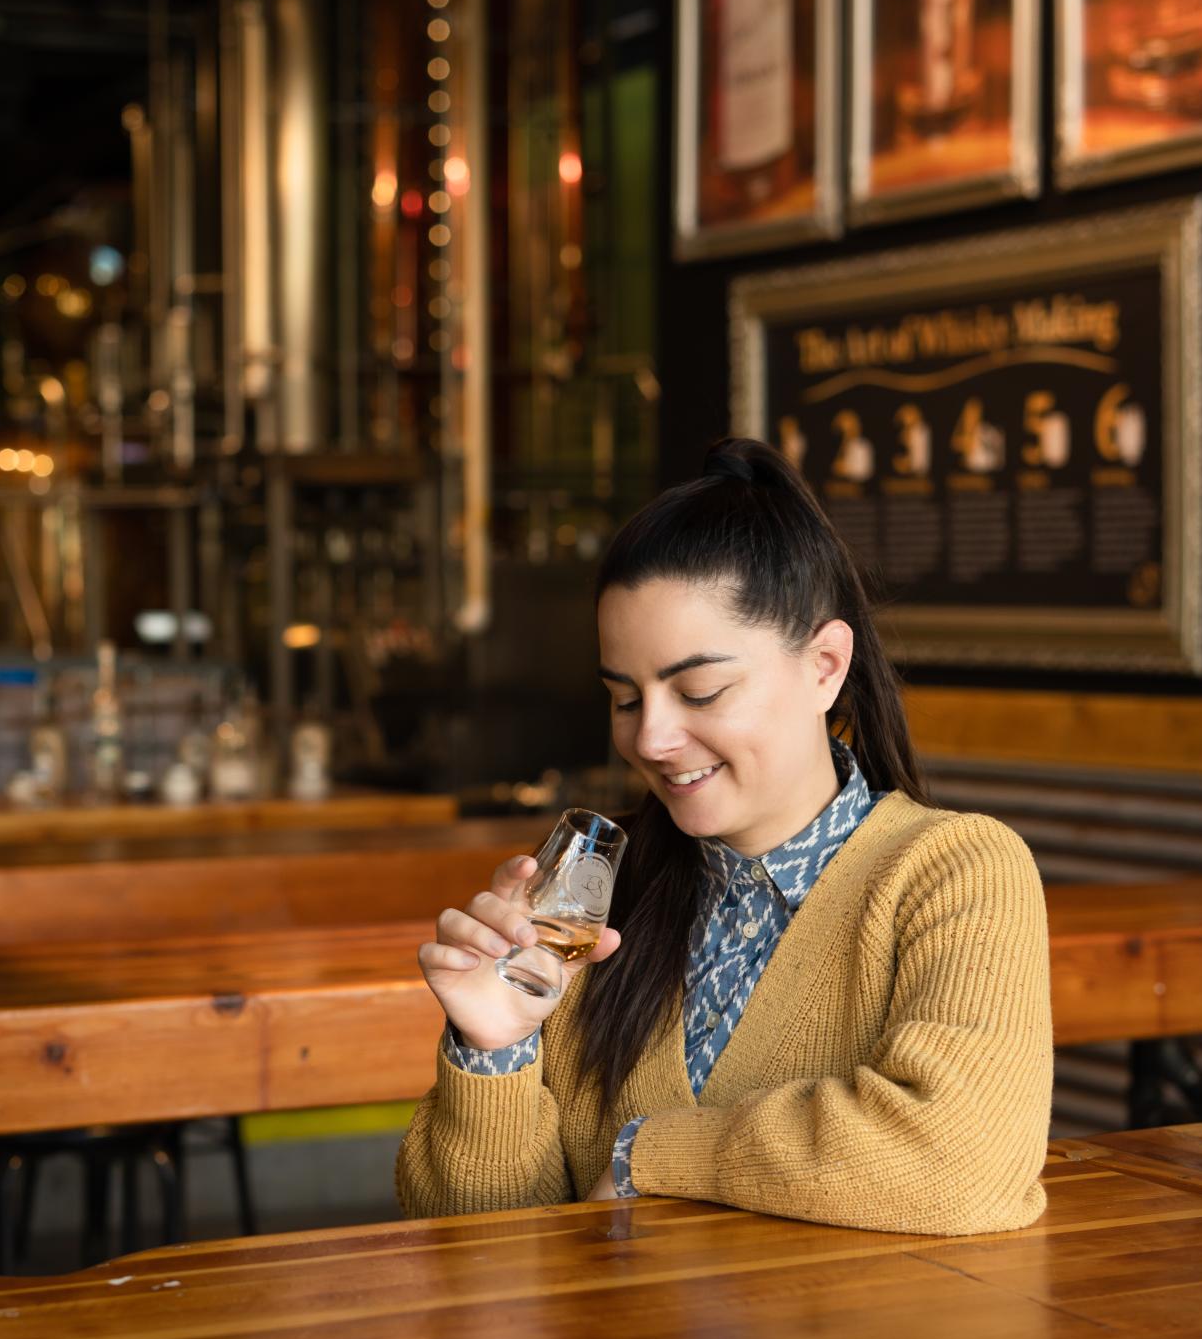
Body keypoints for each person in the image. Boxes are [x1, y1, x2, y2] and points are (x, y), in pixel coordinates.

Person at [397, 438, 1053, 1235]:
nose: (653, 740)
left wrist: (650, 1157)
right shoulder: (596, 897)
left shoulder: (953, 871)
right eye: (626, 699)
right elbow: (481, 1252)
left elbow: (962, 1160)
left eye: (700, 690)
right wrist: (495, 1049)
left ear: (825, 666)